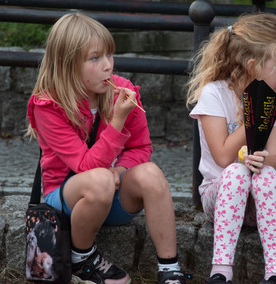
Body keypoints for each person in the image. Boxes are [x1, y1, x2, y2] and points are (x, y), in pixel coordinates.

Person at [26, 13, 190, 284]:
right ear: (67, 64)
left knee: (150, 173)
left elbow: (141, 147)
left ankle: (169, 270)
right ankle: (82, 259)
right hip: (63, 200)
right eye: (95, 58)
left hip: (109, 195)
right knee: (99, 178)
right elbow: (85, 167)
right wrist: (117, 122)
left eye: (109, 56)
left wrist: (122, 169)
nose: (107, 66)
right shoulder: (48, 106)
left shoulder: (122, 90)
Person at [187, 13, 276, 284]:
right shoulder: (214, 94)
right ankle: (221, 271)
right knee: (237, 173)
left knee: (267, 176)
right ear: (253, 66)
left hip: (264, 200)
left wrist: (263, 161)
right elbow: (224, 156)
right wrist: (259, 112)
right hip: (222, 195)